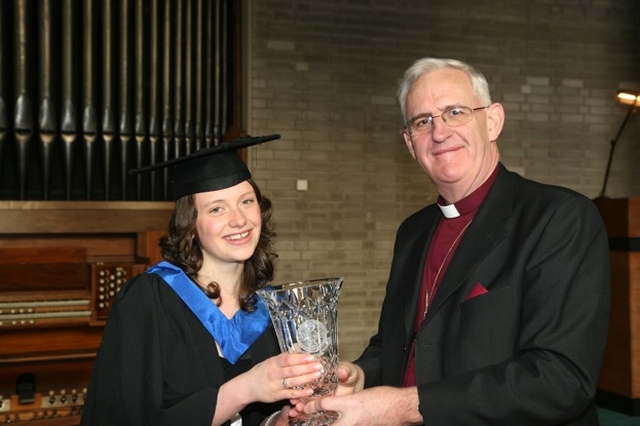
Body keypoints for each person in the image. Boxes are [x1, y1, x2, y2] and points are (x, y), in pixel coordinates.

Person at [299, 58, 611, 425]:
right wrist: (362, 375)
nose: (439, 132)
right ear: (409, 143)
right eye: (422, 121)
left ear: (492, 121)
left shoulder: (558, 218)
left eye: (455, 112)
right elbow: (398, 344)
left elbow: (560, 379)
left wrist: (402, 407)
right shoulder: (413, 232)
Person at [81, 134, 324, 426]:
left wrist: (277, 420)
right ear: (190, 225)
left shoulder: (276, 309)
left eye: (247, 201)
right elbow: (127, 415)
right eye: (217, 208)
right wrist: (247, 388)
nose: (239, 220)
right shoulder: (148, 300)